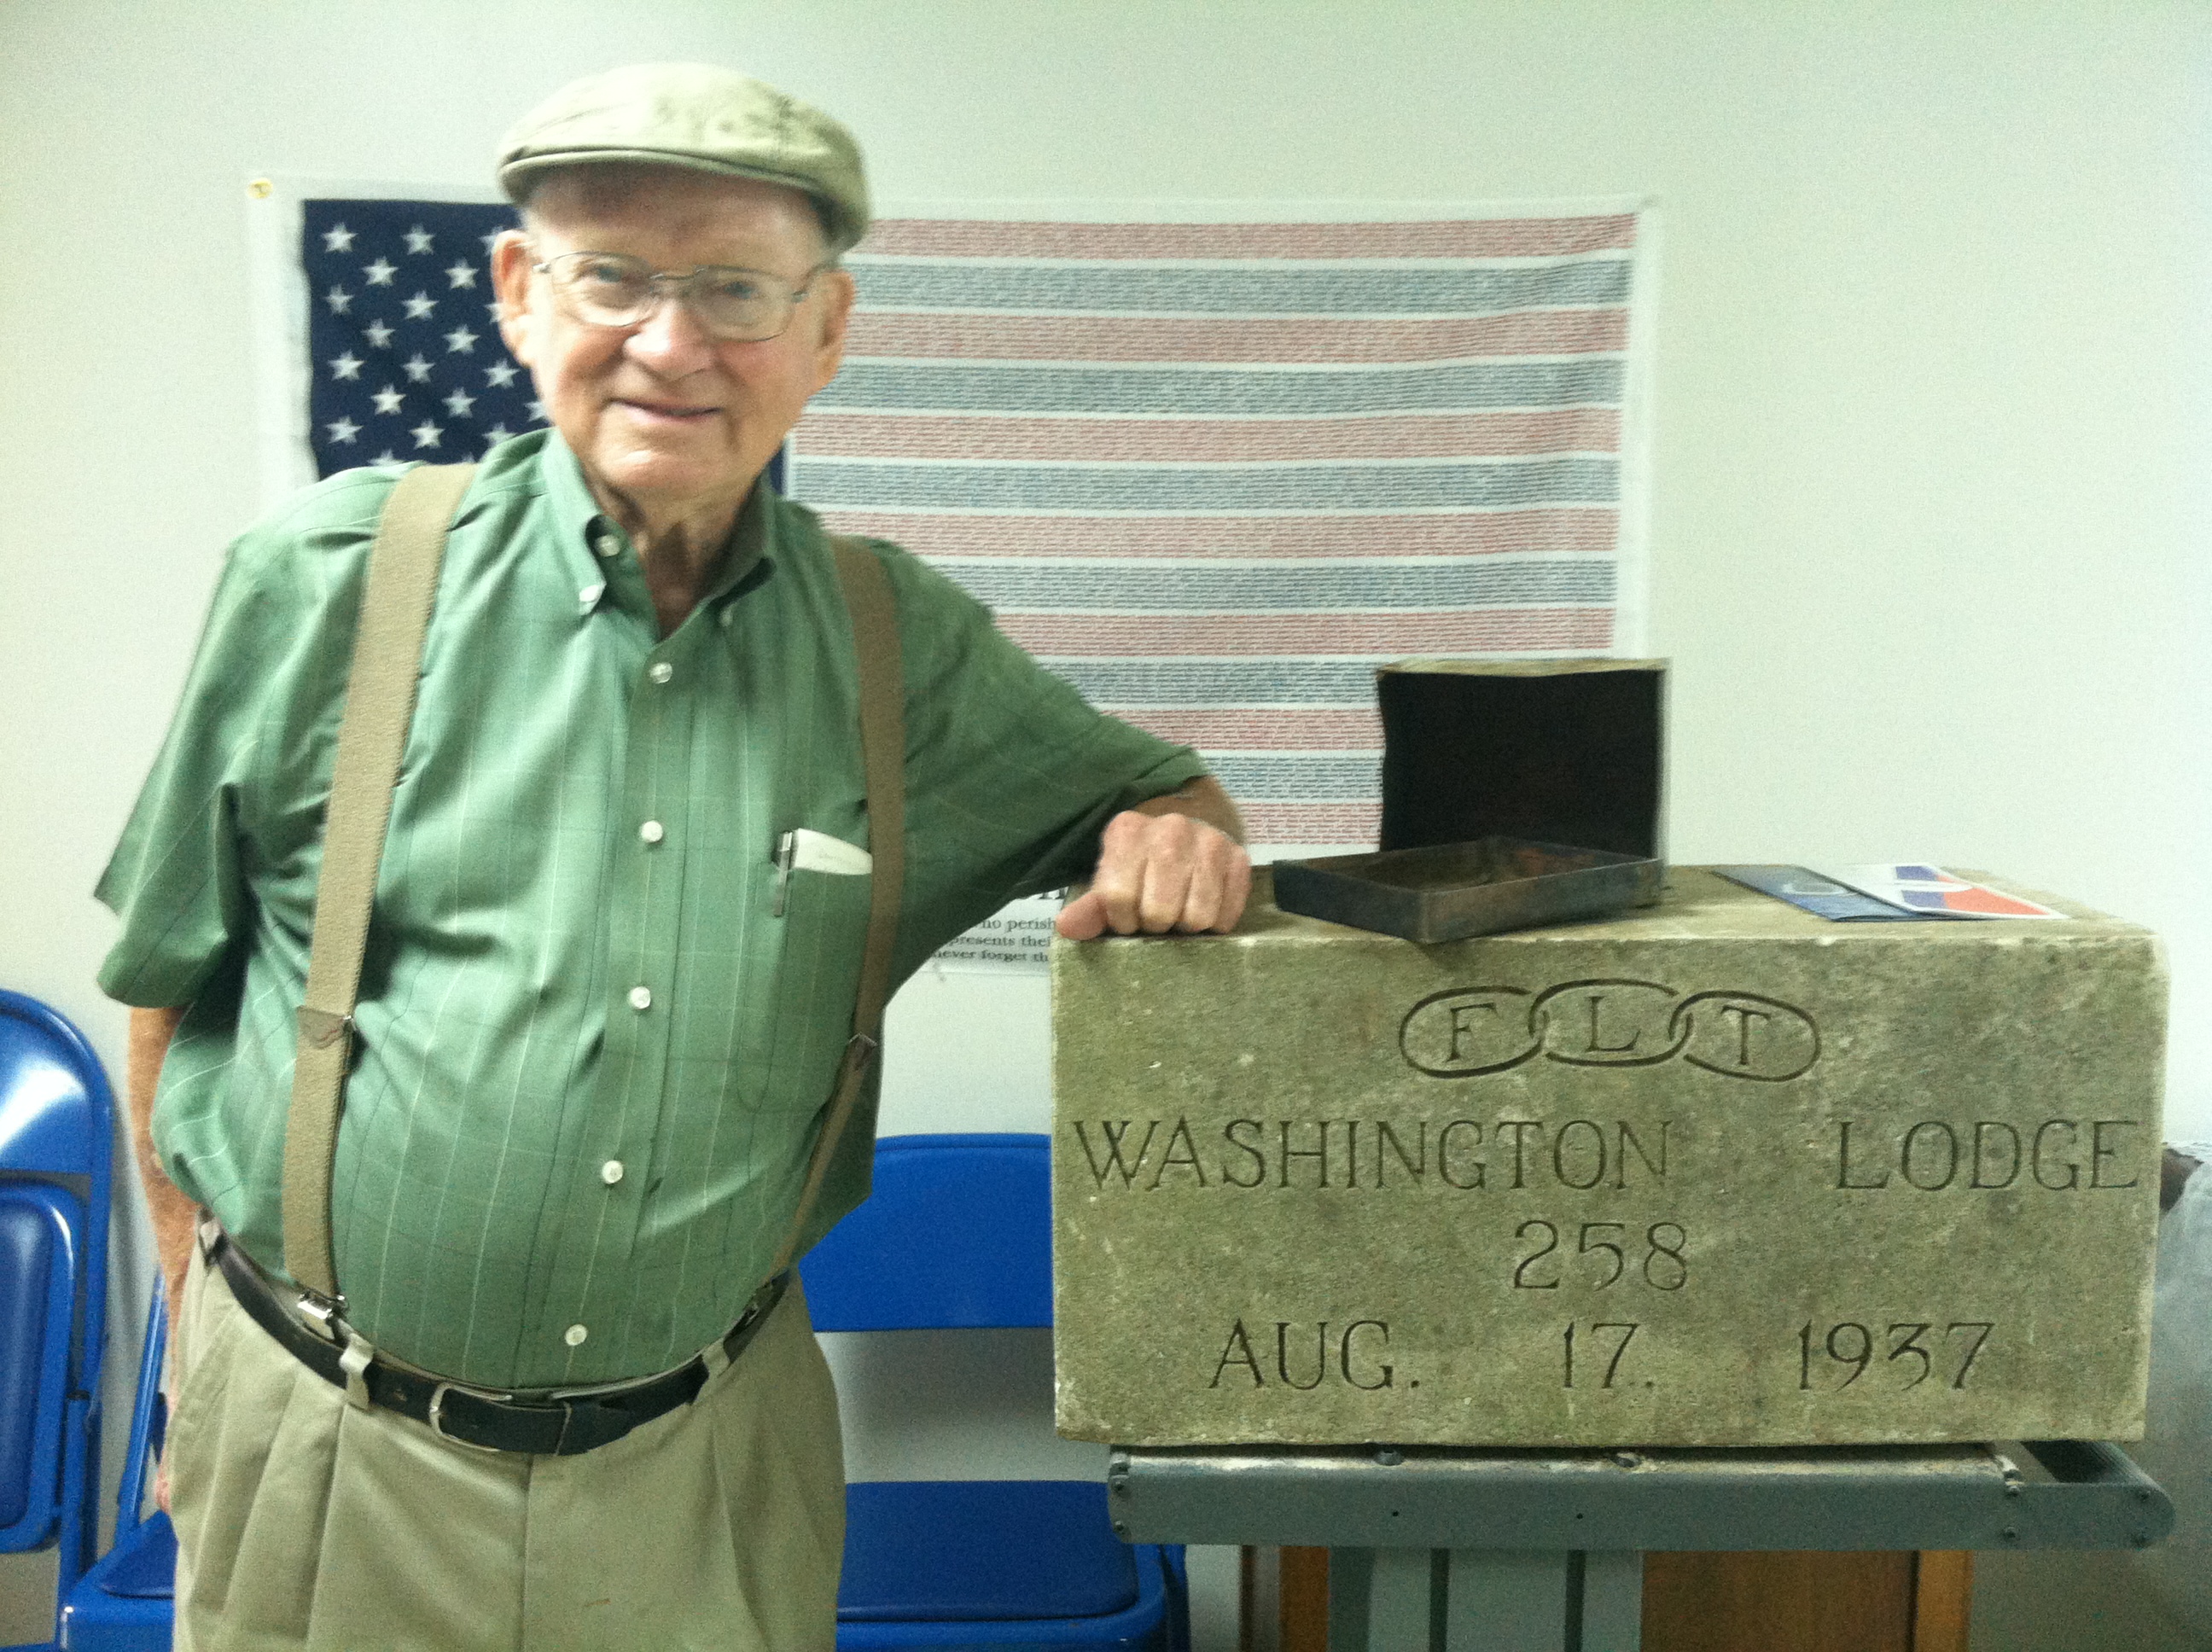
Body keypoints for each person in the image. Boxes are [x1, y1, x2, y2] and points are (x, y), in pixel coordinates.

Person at [97, 62, 1250, 1651]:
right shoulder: (327, 582)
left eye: (735, 289)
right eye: (614, 276)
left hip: (709, 1462)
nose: (671, 340)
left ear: (826, 331)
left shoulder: (896, 643)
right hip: (329, 1445)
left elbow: (1164, 796)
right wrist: (186, 1337)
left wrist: (1176, 841)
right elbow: (168, 981)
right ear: (518, 293)